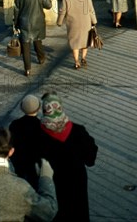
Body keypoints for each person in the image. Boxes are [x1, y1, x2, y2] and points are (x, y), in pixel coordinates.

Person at [39, 92, 98, 222]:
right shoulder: (78, 130)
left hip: (54, 181)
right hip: (77, 179)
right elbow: (90, 157)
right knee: (79, 210)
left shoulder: (38, 134)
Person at [13, 0, 53, 77]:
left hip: (24, 22)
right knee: (37, 41)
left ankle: (27, 69)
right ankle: (41, 58)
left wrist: (15, 23)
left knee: (25, 46)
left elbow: (16, 9)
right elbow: (49, 5)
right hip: (38, 22)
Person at [56, 0, 97, 69]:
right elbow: (91, 9)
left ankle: (76, 62)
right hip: (85, 21)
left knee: (75, 43)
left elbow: (63, 11)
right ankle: (83, 57)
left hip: (73, 23)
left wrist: (59, 22)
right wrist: (94, 20)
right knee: (85, 41)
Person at [9, 95, 43, 190]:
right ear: (39, 107)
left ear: (21, 107)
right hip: (36, 166)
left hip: (20, 164)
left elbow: (11, 144)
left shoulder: (14, 125)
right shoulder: (42, 126)